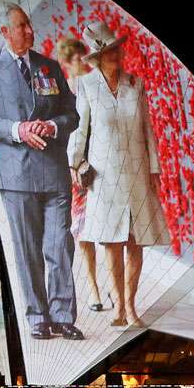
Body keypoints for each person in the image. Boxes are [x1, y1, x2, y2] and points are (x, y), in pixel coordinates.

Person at [0, 2, 82, 341]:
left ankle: (63, 315)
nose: (30, 31)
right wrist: (18, 129)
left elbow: (71, 115)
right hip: (16, 174)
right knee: (27, 247)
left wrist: (50, 124)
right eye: (21, 26)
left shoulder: (49, 67)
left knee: (60, 244)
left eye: (29, 24)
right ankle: (38, 316)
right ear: (5, 32)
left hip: (54, 171)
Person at [67, 21, 168, 327]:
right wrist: (76, 163)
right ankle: (118, 309)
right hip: (105, 176)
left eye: (116, 48)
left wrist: (154, 170)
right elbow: (81, 129)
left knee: (136, 241)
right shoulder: (86, 86)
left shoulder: (136, 84)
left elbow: (148, 130)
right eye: (108, 50)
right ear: (96, 56)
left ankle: (132, 306)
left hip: (136, 173)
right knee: (112, 242)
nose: (115, 54)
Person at [55, 35, 107, 313]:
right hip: (76, 170)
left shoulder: (97, 87)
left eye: (80, 56)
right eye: (72, 58)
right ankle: (95, 290)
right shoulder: (63, 95)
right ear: (65, 63)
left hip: (103, 165)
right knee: (83, 231)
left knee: (113, 229)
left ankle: (111, 285)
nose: (78, 62)